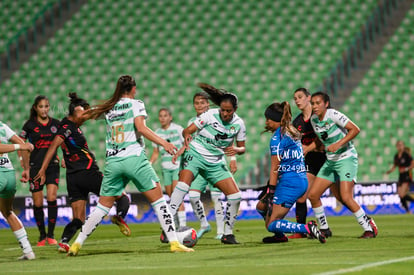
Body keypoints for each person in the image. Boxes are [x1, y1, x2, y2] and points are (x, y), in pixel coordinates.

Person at [66, 75, 193, 255]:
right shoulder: (136, 104)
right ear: (133, 89)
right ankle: (174, 242)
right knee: (159, 201)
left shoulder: (109, 107)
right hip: (134, 157)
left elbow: (83, 116)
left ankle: (77, 244)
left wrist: (77, 106)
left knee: (102, 207)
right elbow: (141, 128)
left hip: (113, 161)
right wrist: (164, 143)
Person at [34, 93, 131, 253]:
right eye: (82, 112)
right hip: (88, 173)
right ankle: (119, 217)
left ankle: (64, 241)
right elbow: (53, 146)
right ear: (73, 112)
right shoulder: (67, 127)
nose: (85, 115)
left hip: (73, 178)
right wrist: (43, 169)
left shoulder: (69, 126)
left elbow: (66, 141)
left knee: (78, 218)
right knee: (122, 196)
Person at [169, 83, 245, 244]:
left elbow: (242, 147)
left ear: (235, 109)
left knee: (235, 196)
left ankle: (227, 233)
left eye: (228, 111)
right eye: (222, 110)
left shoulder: (239, 124)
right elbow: (187, 130)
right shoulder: (209, 115)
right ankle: (167, 226)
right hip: (195, 154)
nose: (224, 113)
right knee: (183, 186)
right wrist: (187, 137)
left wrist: (236, 151)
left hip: (215, 162)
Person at [308, 92, 378, 238]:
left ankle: (369, 228)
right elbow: (322, 139)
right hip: (331, 161)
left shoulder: (333, 114)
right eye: (313, 103)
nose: (314, 106)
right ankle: (325, 229)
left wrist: (338, 144)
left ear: (326, 104)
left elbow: (355, 129)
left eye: (318, 103)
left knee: (346, 197)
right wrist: (308, 148)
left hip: (346, 158)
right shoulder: (314, 120)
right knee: (313, 195)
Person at [257, 102, 326, 244]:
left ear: (275, 119)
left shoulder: (277, 139)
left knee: (271, 224)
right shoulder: (291, 130)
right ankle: (279, 236)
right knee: (261, 207)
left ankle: (307, 228)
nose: (266, 122)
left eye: (268, 119)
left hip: (290, 182)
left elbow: (274, 168)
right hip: (296, 178)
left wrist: (271, 190)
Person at [185, 92, 232, 240]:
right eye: (197, 103)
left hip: (215, 163)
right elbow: (189, 142)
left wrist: (233, 159)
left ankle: (220, 231)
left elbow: (229, 138)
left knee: (216, 197)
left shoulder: (217, 118)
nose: (199, 105)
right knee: (193, 196)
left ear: (208, 104)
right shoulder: (192, 122)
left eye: (202, 103)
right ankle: (204, 224)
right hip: (199, 164)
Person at [290, 88, 331, 239]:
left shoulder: (318, 117)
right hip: (310, 161)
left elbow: (322, 139)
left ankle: (366, 222)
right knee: (302, 196)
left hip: (326, 158)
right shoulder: (297, 122)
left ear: (308, 98)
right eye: (295, 98)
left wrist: (307, 148)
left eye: (300, 97)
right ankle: (301, 230)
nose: (297, 101)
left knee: (343, 197)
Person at [19, 95, 60, 246]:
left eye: (47, 106)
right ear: (36, 108)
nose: (44, 110)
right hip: (35, 167)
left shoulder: (56, 124)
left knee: (51, 197)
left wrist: (64, 157)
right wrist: (26, 167)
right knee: (37, 202)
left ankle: (51, 235)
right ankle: (42, 236)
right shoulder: (29, 125)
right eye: (41, 107)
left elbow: (63, 141)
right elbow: (21, 145)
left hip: (52, 166)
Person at [0, 121, 36, 260]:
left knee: (7, 211)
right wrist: (26, 169)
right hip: (9, 176)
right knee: (7, 211)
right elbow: (24, 145)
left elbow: (21, 145)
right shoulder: (2, 126)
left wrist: (18, 146)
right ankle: (28, 251)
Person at [149, 108, 187, 228]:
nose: (163, 118)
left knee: (177, 195)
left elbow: (186, 145)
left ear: (170, 117)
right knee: (171, 196)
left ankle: (183, 226)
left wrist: (178, 155)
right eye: (160, 116)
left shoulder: (178, 129)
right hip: (165, 168)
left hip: (177, 166)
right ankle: (175, 223)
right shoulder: (157, 133)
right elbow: (156, 153)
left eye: (165, 116)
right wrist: (149, 163)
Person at [386, 140, 414, 213]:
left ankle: (408, 210)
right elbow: (395, 165)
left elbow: (412, 164)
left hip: (407, 176)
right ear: (396, 146)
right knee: (400, 194)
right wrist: (390, 171)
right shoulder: (396, 155)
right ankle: (408, 211)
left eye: (401, 145)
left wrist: (406, 169)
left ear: (403, 146)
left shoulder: (406, 154)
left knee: (402, 194)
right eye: (398, 145)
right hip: (401, 176)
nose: (400, 147)